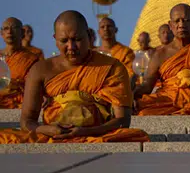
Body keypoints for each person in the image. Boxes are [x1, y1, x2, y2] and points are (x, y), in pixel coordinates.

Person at [0, 11, 149, 143]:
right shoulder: (40, 70)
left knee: (135, 135)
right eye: (64, 41)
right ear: (55, 39)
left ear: (89, 37)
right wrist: (46, 130)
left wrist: (86, 131)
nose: (71, 47)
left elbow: (123, 120)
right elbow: (26, 122)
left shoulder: (111, 67)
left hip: (98, 134)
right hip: (52, 135)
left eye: (77, 39)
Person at [133, 4, 190, 115]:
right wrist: (130, 94)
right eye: (177, 21)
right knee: (142, 110)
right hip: (170, 100)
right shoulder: (160, 54)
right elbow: (147, 85)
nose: (181, 25)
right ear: (170, 25)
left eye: (186, 21)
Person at [0, 17, 43, 108]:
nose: (10, 32)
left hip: (19, 103)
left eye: (14, 28)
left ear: (22, 33)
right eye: (6, 28)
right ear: (1, 33)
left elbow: (36, 86)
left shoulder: (31, 58)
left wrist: (16, 85)